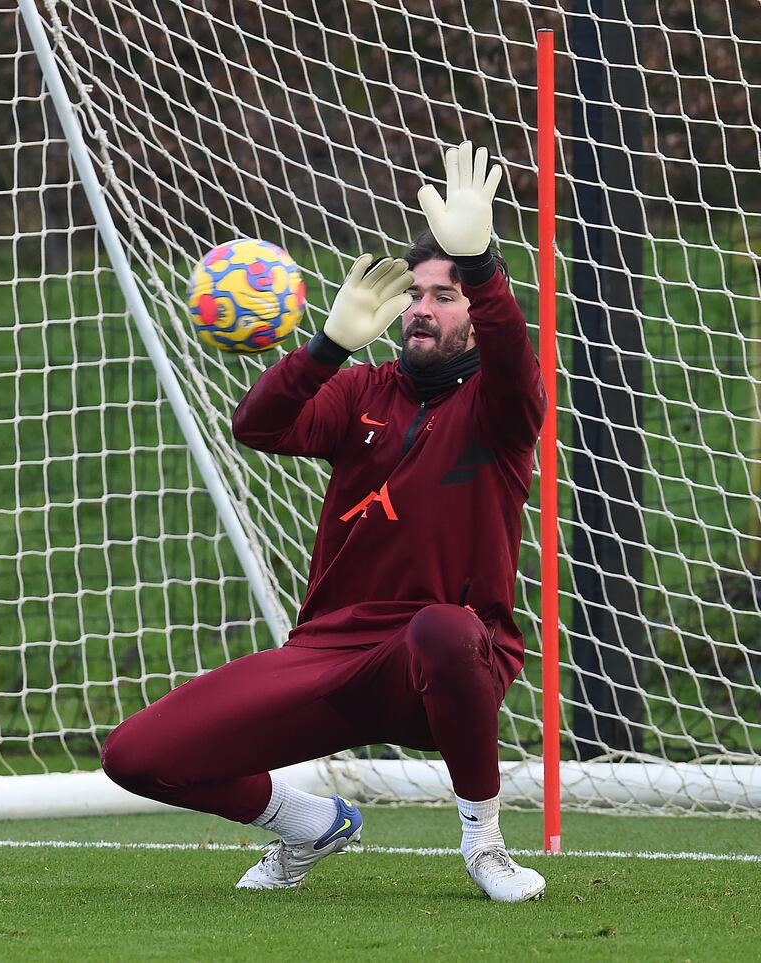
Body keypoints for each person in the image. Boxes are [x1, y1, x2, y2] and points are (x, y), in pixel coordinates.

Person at [101, 141, 548, 903]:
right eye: (416, 293)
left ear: (476, 313)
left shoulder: (502, 407)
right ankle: (309, 823)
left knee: (443, 628)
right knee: (135, 754)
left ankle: (485, 842)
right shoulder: (360, 389)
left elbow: (515, 363)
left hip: (447, 658)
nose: (421, 308)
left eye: (444, 295)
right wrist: (327, 344)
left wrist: (484, 268)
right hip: (331, 652)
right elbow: (258, 425)